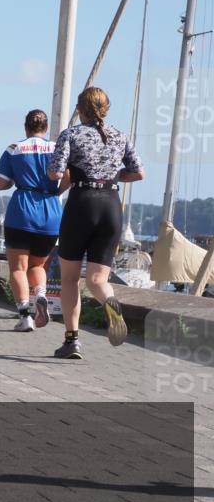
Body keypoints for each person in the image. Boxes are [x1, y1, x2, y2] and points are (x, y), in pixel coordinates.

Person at [47, 87, 144, 359]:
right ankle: (110, 304)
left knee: (69, 279)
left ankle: (72, 341)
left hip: (82, 204)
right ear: (105, 109)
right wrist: (112, 176)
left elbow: (55, 171)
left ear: (80, 109)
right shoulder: (120, 136)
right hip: (111, 206)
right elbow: (139, 173)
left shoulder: (71, 134)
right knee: (97, 280)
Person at [0, 109, 69, 332]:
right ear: (46, 128)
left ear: (25, 127)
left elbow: (1, 183)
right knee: (38, 264)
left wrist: (17, 179)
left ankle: (25, 316)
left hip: (22, 210)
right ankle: (41, 295)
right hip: (50, 212)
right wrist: (57, 192)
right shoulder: (57, 148)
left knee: (18, 268)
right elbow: (68, 176)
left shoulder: (14, 148)